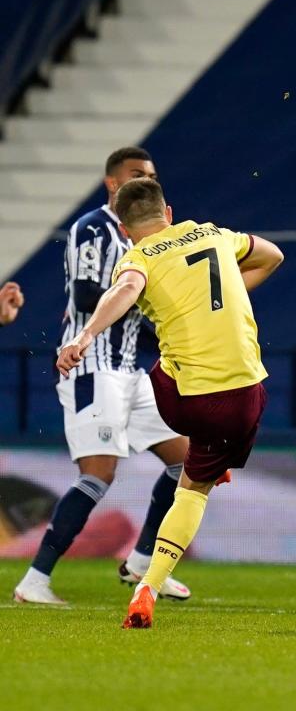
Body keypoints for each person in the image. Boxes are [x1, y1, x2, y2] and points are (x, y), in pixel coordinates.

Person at [55, 177, 284, 628]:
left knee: (164, 364)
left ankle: (145, 584)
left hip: (184, 402)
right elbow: (273, 255)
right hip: (245, 398)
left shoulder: (137, 256)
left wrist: (84, 335)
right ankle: (148, 585)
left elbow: (124, 292)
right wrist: (224, 295)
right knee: (196, 488)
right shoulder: (214, 233)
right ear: (170, 212)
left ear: (124, 228)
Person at [14, 148, 194, 606]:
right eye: (136, 175)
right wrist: (148, 290)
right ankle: (35, 580)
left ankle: (140, 560)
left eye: (152, 175)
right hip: (92, 366)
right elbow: (89, 293)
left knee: (188, 461)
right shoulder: (93, 228)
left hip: (133, 369)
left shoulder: (152, 237)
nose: (146, 181)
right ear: (112, 182)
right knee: (98, 475)